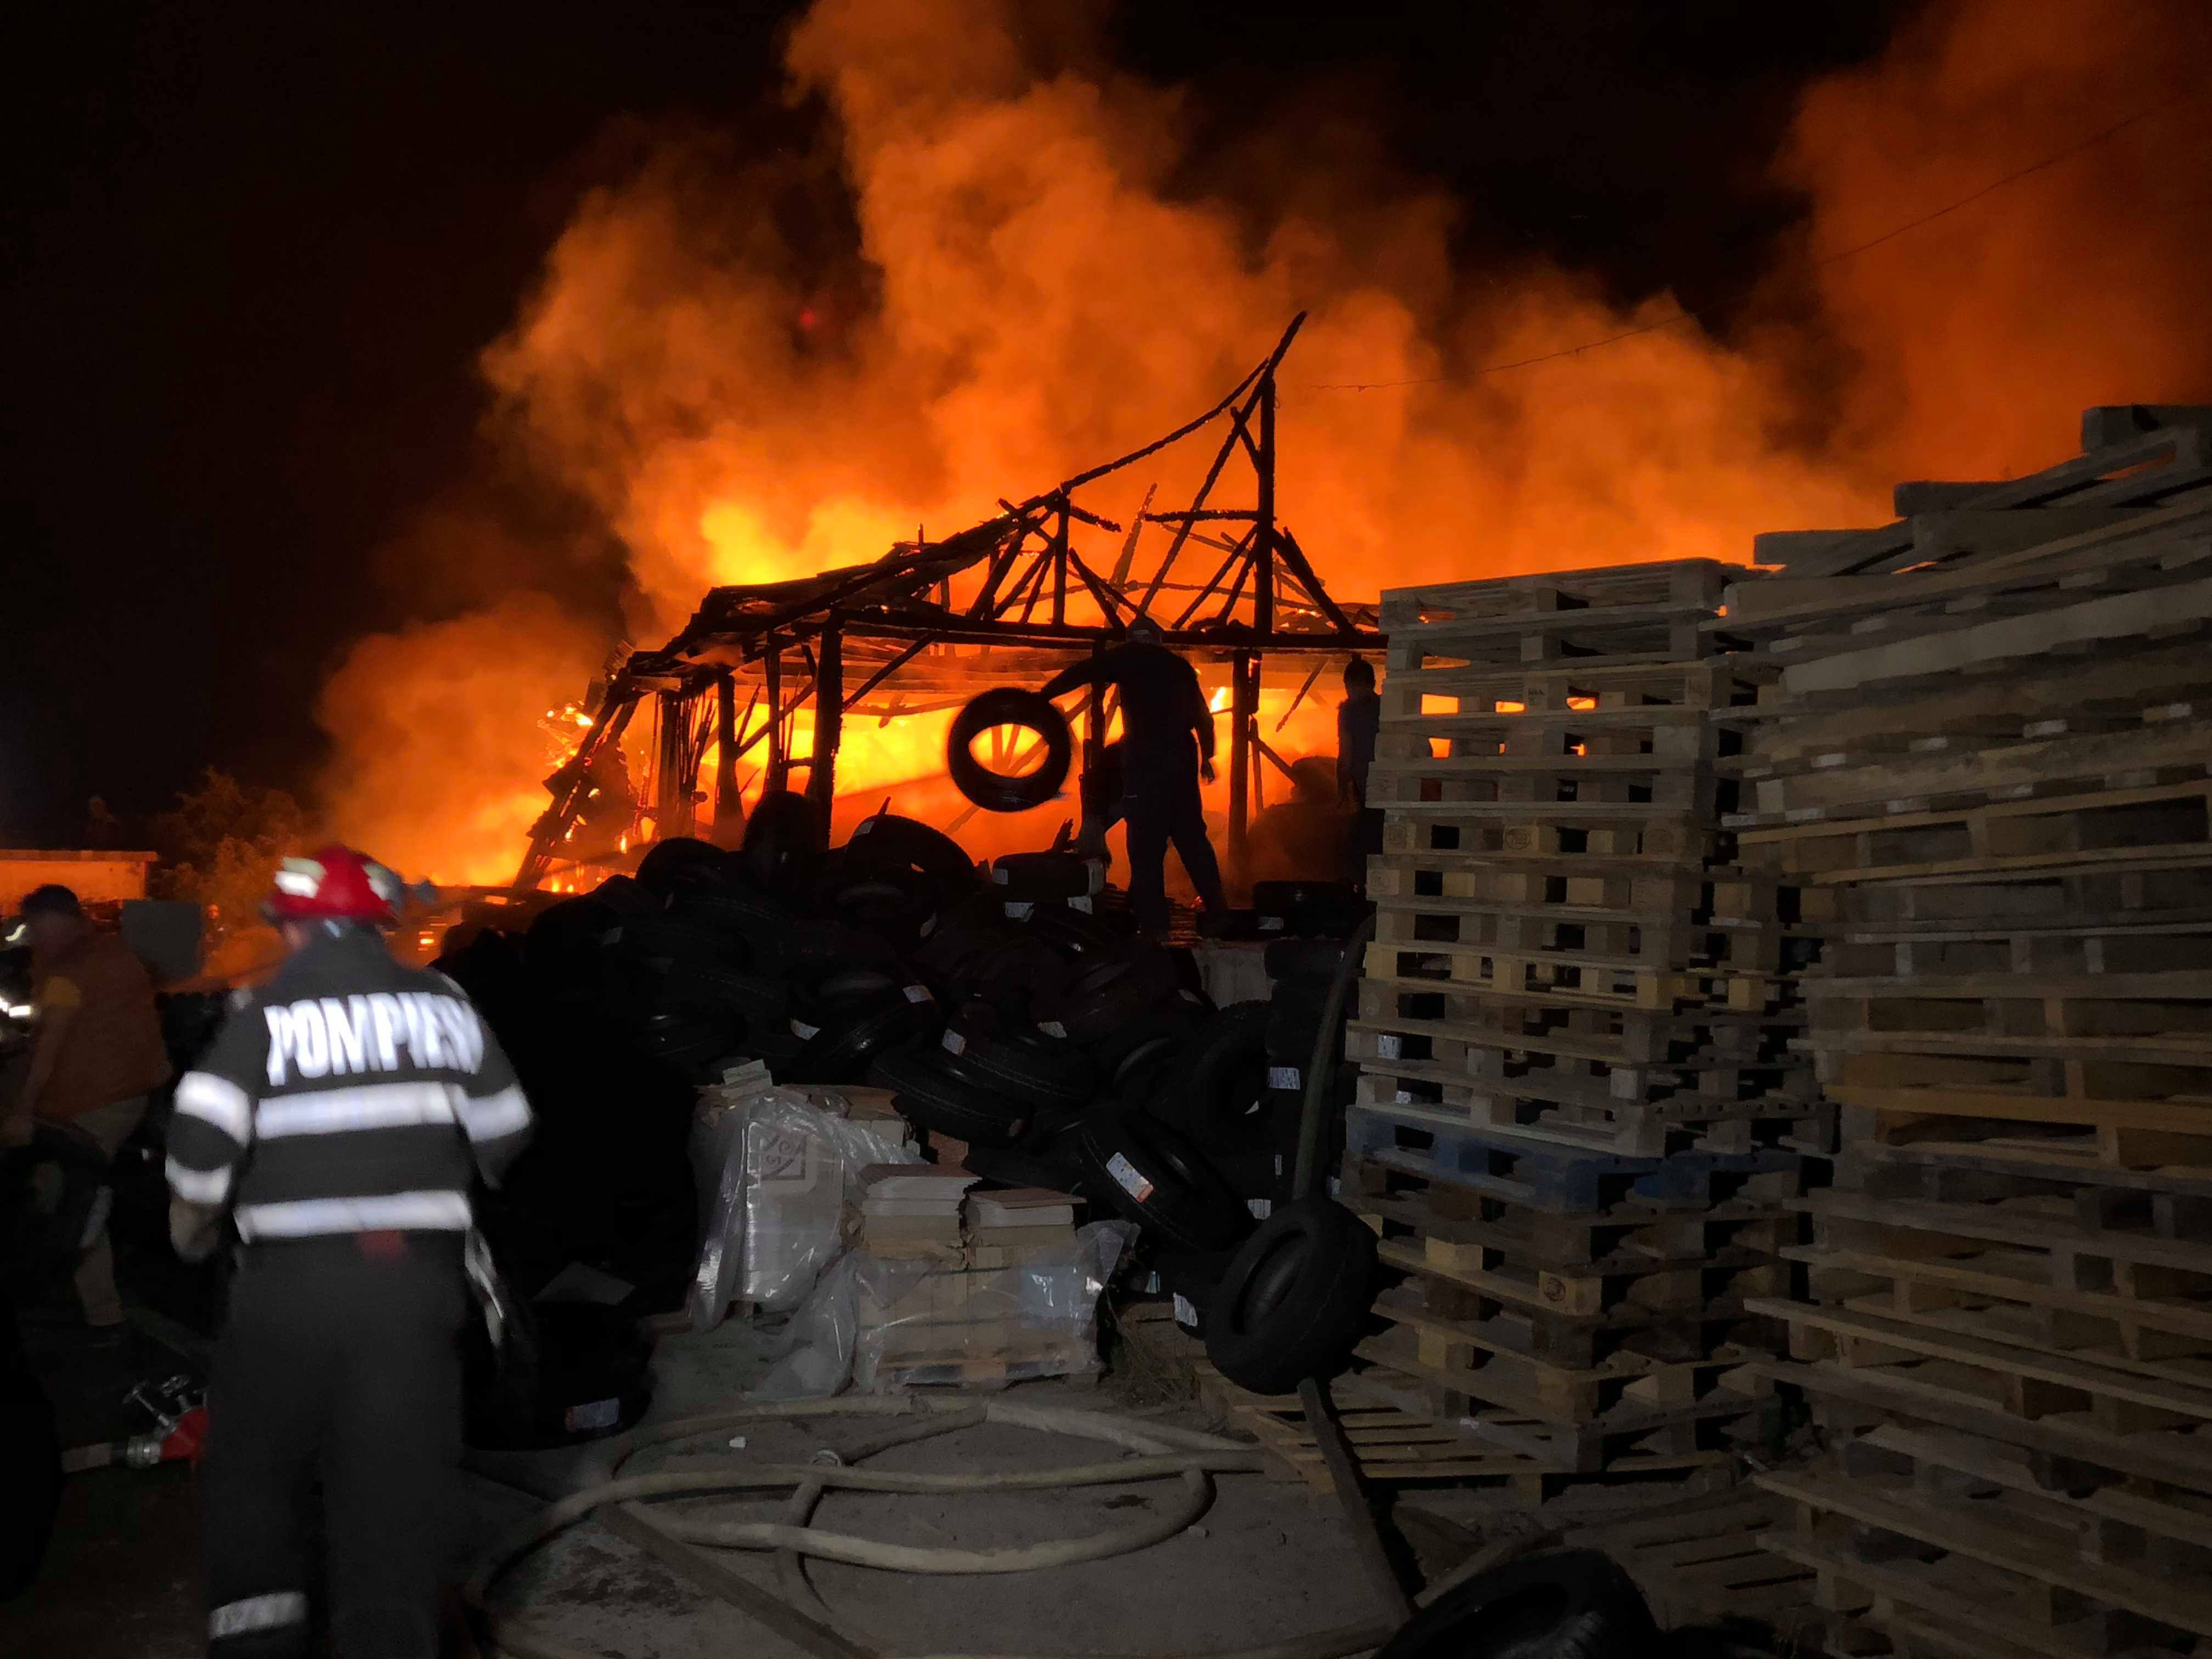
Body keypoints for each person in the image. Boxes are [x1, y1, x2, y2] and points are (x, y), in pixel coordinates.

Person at [165, 845, 533, 1659]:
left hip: (289, 1293)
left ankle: (259, 1641)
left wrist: (191, 1228)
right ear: (381, 925)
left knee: (255, 1480)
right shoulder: (445, 1001)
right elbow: (507, 1130)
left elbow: (200, 1138)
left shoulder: (263, 1010)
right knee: (393, 1496)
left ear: (294, 931)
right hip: (415, 1291)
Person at [0, 884, 173, 1328]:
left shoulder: (70, 970)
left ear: (66, 921)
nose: (39, 938)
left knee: (74, 1201)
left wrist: (23, 1111)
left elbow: (51, 1044)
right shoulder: (106, 952)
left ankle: (103, 1317)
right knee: (65, 1193)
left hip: (97, 1101)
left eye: (44, 928)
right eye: (35, 931)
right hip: (120, 1092)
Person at [1041, 618, 1228, 932]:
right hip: (1182, 757)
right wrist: (1207, 758)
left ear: (1131, 640)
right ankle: (1219, 912)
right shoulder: (1178, 666)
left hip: (1144, 760)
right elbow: (1202, 716)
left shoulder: (1126, 659)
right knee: (1192, 837)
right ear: (1157, 639)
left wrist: (1043, 697)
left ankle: (1153, 924)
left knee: (1146, 842)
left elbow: (1082, 672)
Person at [1336, 658, 1385, 883]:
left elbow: (1346, 754)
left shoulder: (1348, 711)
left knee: (1358, 845)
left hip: (1367, 787)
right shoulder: (1386, 706)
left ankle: (1362, 888)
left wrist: (1342, 792)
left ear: (1349, 684)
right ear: (1373, 683)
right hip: (1391, 785)